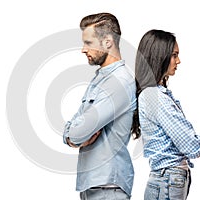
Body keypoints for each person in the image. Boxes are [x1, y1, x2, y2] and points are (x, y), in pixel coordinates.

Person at [63, 12, 138, 200]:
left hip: (108, 188)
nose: (83, 49)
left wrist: (73, 136)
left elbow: (79, 131)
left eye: (88, 43)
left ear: (108, 42)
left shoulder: (119, 81)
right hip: (94, 186)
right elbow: (74, 130)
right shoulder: (101, 79)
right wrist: (71, 136)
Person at [133, 29, 200, 200]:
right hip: (168, 179)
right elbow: (193, 146)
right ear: (159, 57)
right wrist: (197, 140)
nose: (178, 61)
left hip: (167, 178)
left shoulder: (154, 94)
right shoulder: (155, 97)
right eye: (174, 55)